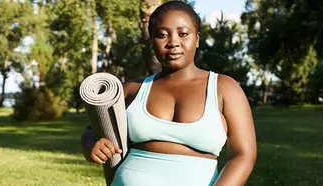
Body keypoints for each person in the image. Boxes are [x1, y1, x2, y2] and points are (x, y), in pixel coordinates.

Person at [81, 1, 257, 185]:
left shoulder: (224, 88)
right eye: (162, 35)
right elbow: (91, 130)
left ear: (197, 39)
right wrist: (90, 146)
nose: (173, 42)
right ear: (152, 41)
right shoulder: (132, 89)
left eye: (183, 34)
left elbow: (243, 155)